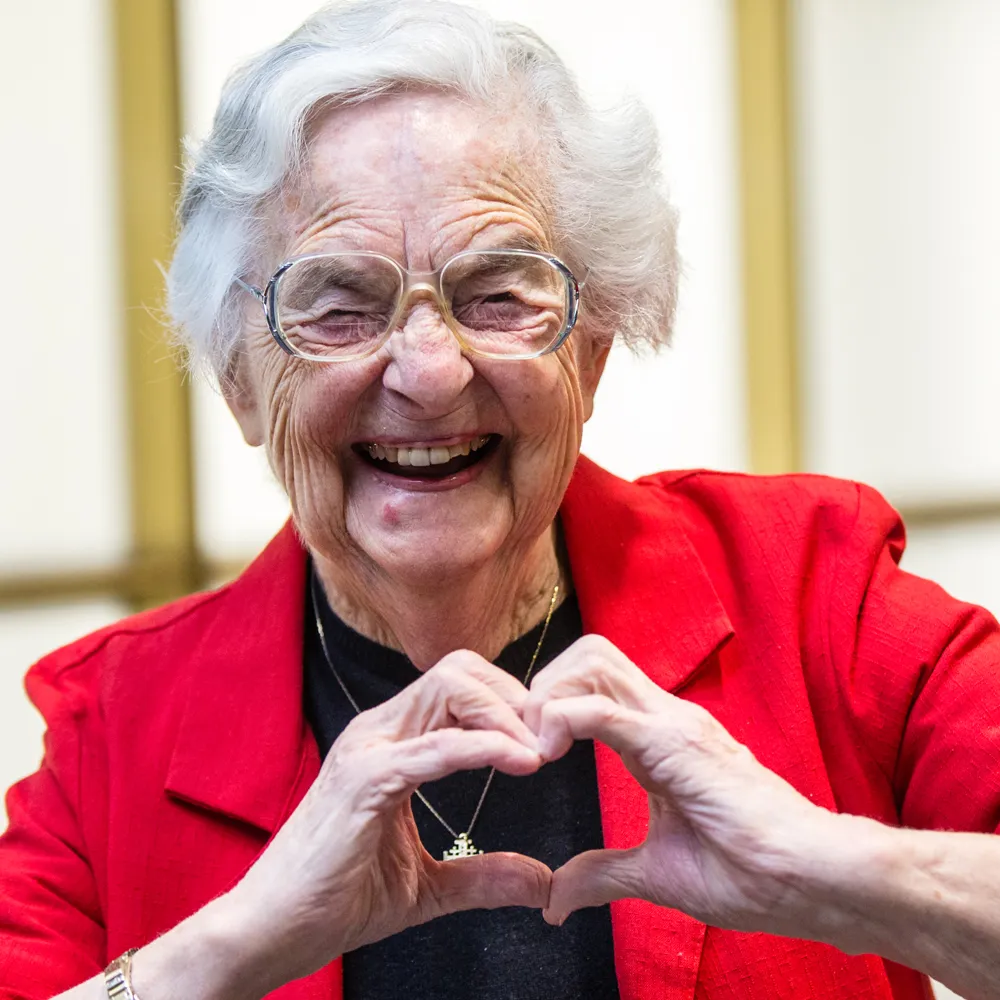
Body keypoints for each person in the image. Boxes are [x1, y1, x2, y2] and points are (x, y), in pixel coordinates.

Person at [1, 2, 999, 999]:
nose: (430, 374)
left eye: (499, 294)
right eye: (339, 304)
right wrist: (230, 944)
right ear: (238, 382)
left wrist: (832, 869)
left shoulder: (814, 591)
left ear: (592, 350)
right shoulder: (112, 726)